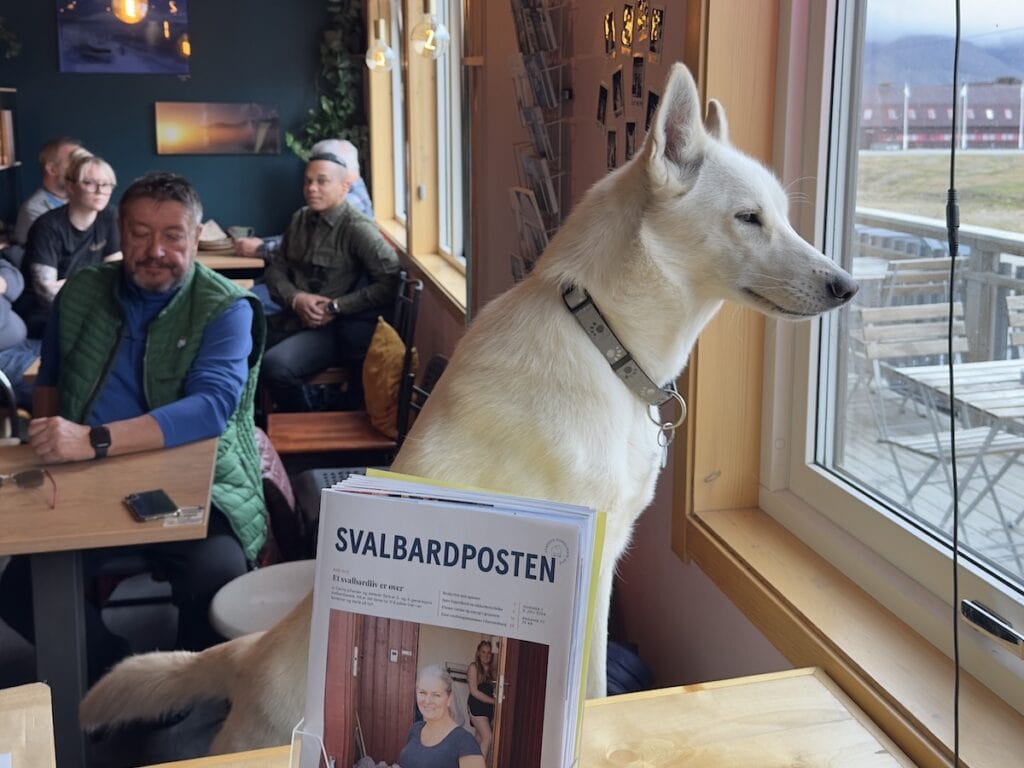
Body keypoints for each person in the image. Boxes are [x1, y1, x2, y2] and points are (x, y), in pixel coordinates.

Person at [0, 171, 267, 682]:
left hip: (195, 476)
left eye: (172, 235)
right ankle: (120, 675)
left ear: (194, 239)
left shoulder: (225, 307)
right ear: (119, 231)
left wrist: (92, 440)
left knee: (218, 573)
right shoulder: (82, 291)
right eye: (140, 233)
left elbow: (211, 407)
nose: (155, 250)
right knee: (19, 591)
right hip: (86, 478)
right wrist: (49, 430)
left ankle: (184, 684)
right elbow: (51, 373)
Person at [261, 138, 400, 412]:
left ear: (344, 187)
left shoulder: (357, 228)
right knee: (239, 342)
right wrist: (296, 298)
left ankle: (317, 416)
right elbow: (275, 267)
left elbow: (391, 281)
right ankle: (258, 424)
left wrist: (337, 306)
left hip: (333, 330)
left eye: (322, 181)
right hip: (291, 317)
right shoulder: (300, 219)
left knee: (274, 367)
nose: (311, 188)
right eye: (307, 181)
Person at [17, 152, 121, 336]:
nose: (100, 190)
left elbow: (116, 273)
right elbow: (46, 293)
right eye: (90, 183)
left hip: (90, 304)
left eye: (106, 185)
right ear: (71, 186)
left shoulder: (109, 216)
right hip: (43, 312)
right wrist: (95, 286)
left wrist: (73, 285)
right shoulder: (48, 226)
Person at [232, 139, 375, 259]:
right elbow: (300, 240)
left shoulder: (348, 203)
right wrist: (260, 243)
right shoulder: (348, 195)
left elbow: (308, 247)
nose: (312, 187)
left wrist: (260, 248)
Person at [399, 665, 486, 768]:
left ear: (449, 699)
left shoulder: (465, 743)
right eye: (422, 692)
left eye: (436, 695)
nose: (427, 701)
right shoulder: (415, 729)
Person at [12, 137, 83, 246]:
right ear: (52, 169)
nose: (81, 168)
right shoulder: (33, 209)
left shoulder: (83, 199)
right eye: (74, 162)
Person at [0, 254, 39, 410]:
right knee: (58, 380)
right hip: (3, 357)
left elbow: (15, 277)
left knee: (72, 355)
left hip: (22, 343)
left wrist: (2, 283)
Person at [466, 641, 496, 760]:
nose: (486, 655)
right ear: (478, 653)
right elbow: (474, 691)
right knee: (488, 737)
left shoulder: (492, 671)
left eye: (489, 653)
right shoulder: (474, 667)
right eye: (483, 652)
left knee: (479, 739)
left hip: (487, 710)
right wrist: (494, 701)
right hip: (476, 707)